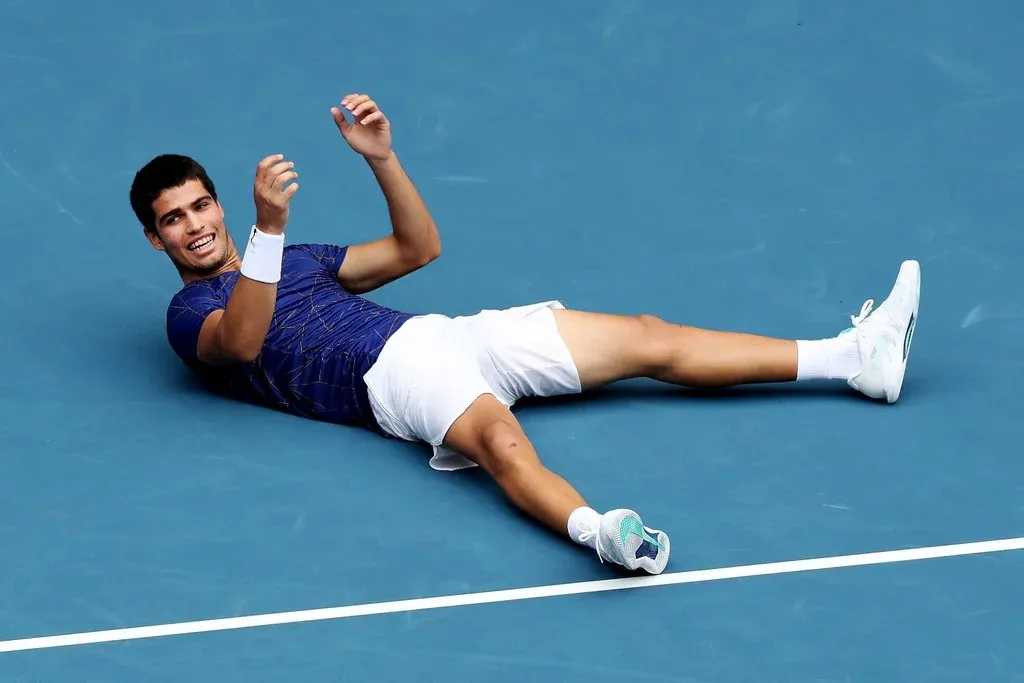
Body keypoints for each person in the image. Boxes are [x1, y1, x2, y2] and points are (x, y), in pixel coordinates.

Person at [131, 93, 920, 576]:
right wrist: (268, 231)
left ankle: (857, 358)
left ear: (217, 204)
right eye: (174, 219)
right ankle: (604, 534)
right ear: (153, 238)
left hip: (450, 335)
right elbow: (243, 341)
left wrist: (383, 160)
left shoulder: (298, 257)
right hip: (388, 379)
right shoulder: (190, 315)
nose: (194, 225)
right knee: (502, 444)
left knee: (651, 337)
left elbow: (416, 249)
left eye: (201, 205)